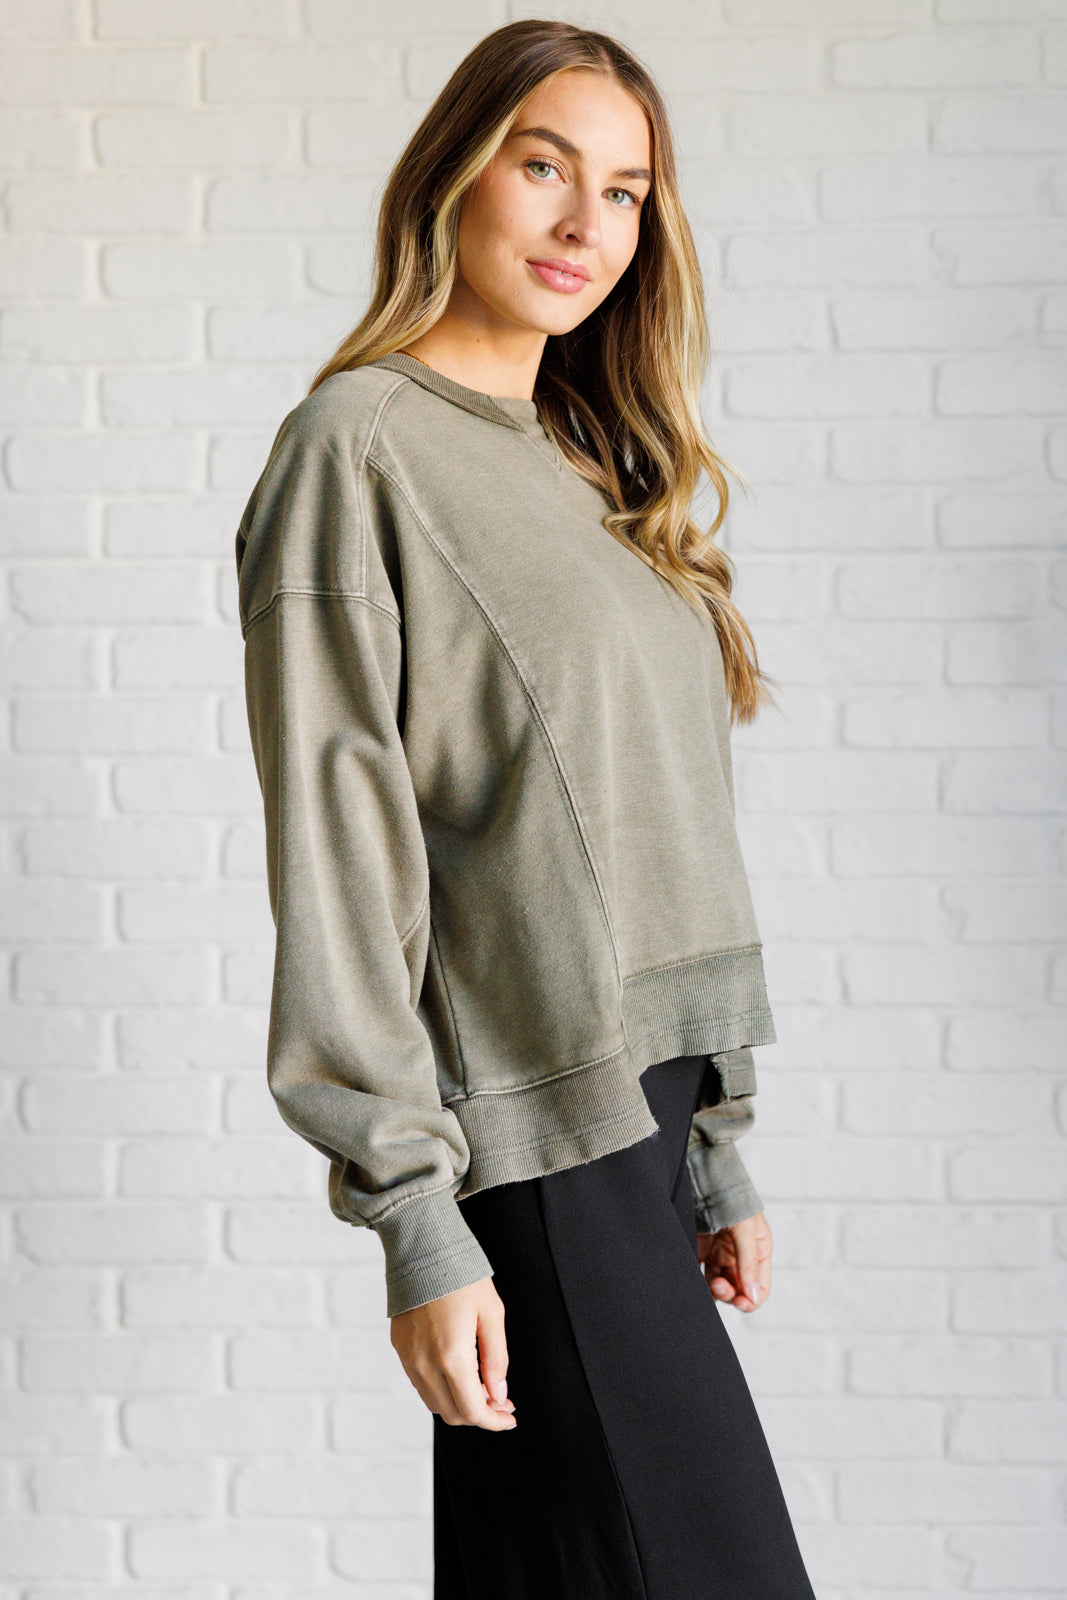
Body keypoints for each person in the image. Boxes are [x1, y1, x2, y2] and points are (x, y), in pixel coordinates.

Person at [235, 17, 818, 1599]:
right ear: (455, 174)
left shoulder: (588, 463)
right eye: (544, 166)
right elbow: (343, 857)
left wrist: (714, 1146)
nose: (584, 224)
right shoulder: (357, 449)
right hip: (535, 1145)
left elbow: (659, 824)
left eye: (624, 192)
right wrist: (417, 1220)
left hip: (644, 1129)